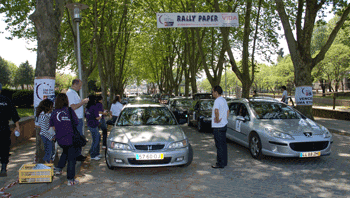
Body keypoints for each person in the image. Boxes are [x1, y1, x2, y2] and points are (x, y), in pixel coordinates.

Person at [49, 93, 79, 186]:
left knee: (65, 152)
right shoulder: (69, 110)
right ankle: (70, 179)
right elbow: (76, 122)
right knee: (71, 159)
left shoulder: (54, 112)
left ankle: (58, 168)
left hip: (60, 139)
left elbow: (51, 127)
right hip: (70, 138)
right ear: (66, 100)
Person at [66, 79, 89, 161]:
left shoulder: (73, 93)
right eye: (79, 86)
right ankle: (76, 155)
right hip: (76, 119)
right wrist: (82, 102)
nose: (80, 88)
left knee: (78, 137)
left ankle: (78, 154)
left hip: (78, 118)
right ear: (74, 84)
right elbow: (73, 107)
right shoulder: (70, 93)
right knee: (77, 137)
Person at [0, 83, 20, 177]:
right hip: (4, 128)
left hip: (3, 127)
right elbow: (14, 114)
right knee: (4, 148)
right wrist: (17, 127)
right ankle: (3, 168)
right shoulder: (6, 100)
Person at [211, 85, 229, 169]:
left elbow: (216, 110)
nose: (212, 93)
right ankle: (224, 162)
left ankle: (220, 163)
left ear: (216, 92)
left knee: (219, 146)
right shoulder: (224, 100)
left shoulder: (217, 101)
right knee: (223, 145)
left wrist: (217, 119)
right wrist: (224, 119)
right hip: (224, 125)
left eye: (212, 91)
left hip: (218, 127)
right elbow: (228, 111)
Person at [36, 99, 55, 163]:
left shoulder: (45, 115)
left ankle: (48, 164)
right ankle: (46, 164)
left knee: (50, 151)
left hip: (47, 136)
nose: (52, 108)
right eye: (51, 106)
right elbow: (44, 130)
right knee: (48, 152)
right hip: (46, 136)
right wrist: (51, 137)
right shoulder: (43, 116)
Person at [85, 95, 102, 161]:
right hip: (94, 125)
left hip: (90, 124)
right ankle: (93, 155)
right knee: (96, 140)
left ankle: (97, 153)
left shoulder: (87, 107)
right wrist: (100, 116)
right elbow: (97, 117)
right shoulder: (93, 107)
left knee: (97, 138)